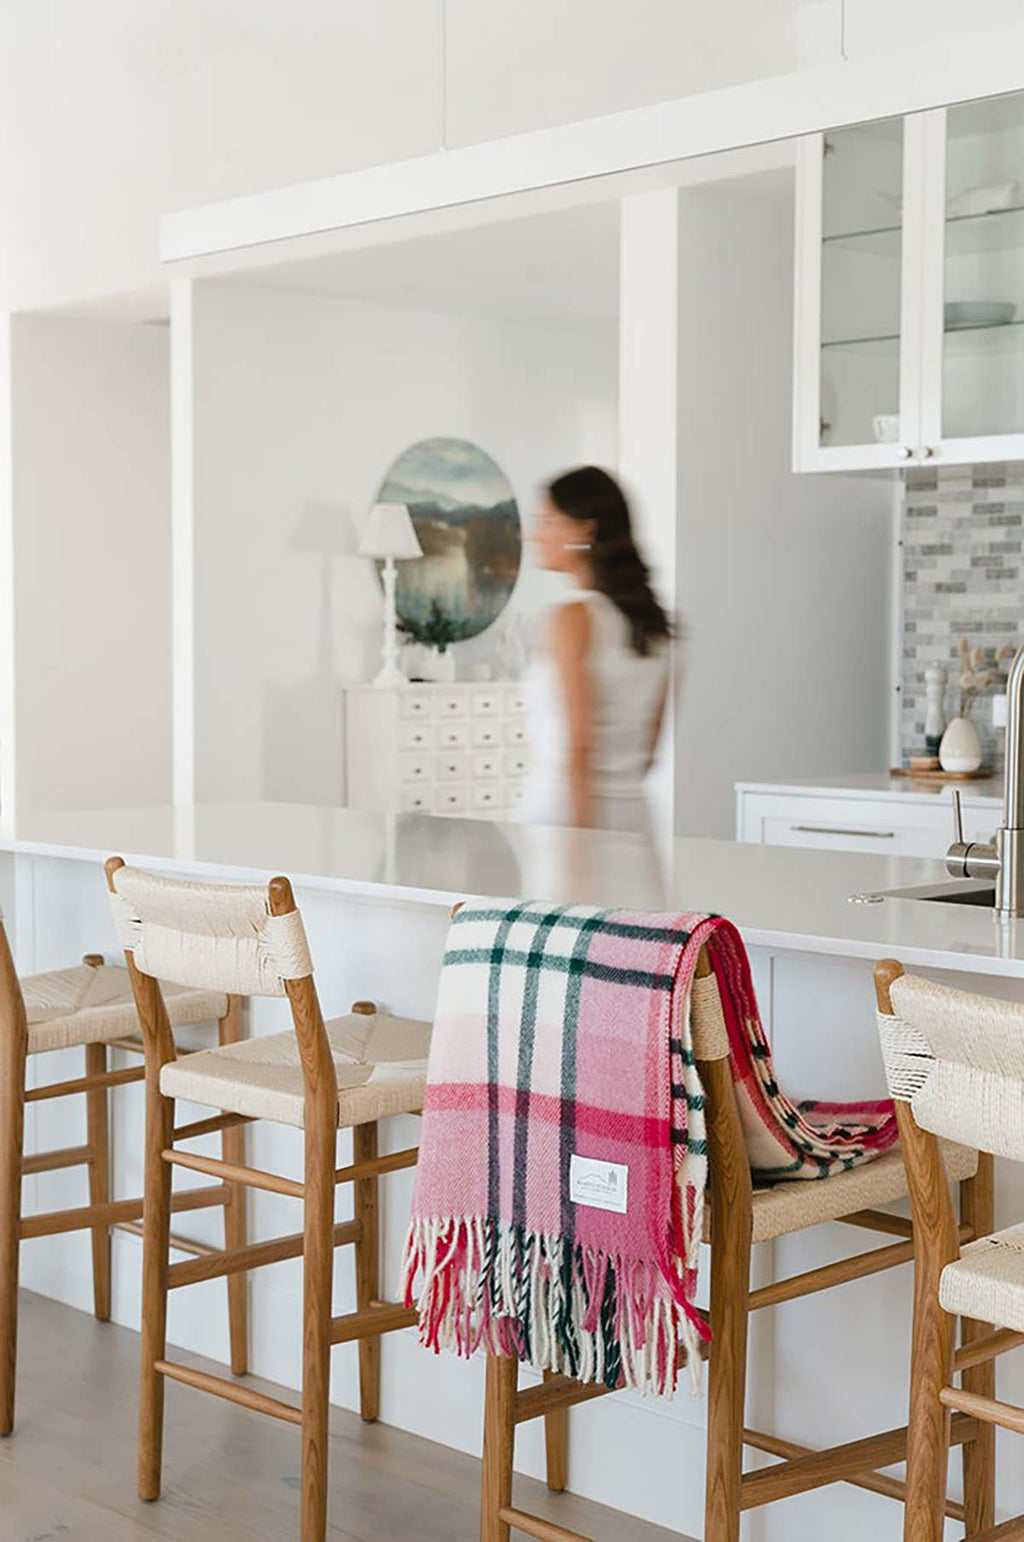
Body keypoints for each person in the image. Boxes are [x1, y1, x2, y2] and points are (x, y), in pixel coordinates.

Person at [519, 465, 672, 832]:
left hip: (565, 819)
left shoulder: (574, 618)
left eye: (546, 521)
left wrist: (582, 844)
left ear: (584, 529)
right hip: (634, 817)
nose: (533, 535)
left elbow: (579, 747)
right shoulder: (656, 625)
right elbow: (648, 751)